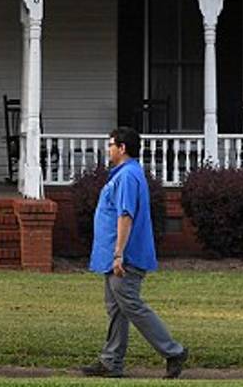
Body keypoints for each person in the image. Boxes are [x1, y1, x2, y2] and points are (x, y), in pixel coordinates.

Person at [81, 127, 188, 379]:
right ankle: (111, 362)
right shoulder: (123, 174)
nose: (108, 150)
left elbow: (125, 215)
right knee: (116, 308)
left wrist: (118, 254)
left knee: (131, 305)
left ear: (122, 148)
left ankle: (173, 351)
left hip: (124, 257)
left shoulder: (128, 176)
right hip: (114, 256)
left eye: (110, 145)